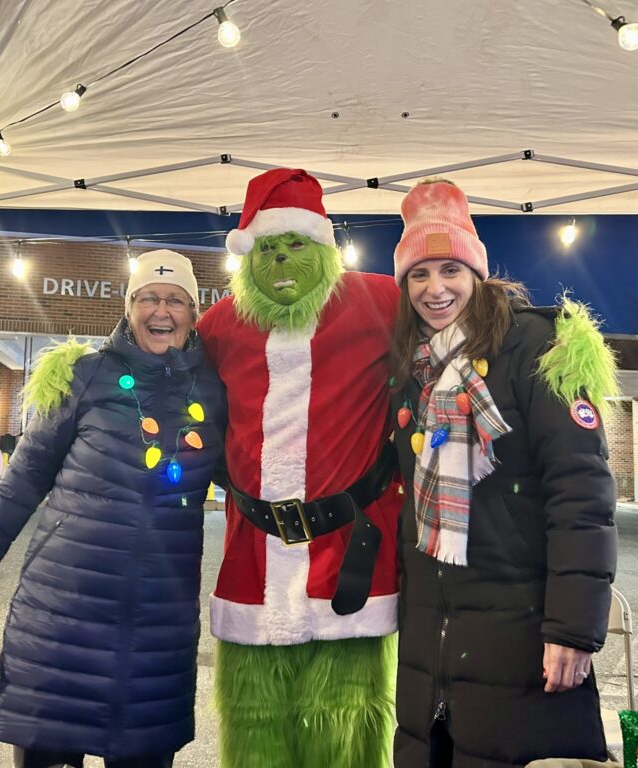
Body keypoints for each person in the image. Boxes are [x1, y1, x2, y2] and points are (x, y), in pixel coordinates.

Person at [0, 249, 225, 768]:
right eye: (148, 298)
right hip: (64, 607)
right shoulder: (85, 374)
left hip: (159, 613)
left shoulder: (215, 391)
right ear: (128, 307)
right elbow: (24, 478)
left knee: (144, 749)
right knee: (49, 748)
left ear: (194, 312)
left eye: (175, 299)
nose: (162, 311)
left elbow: (251, 471)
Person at [388, 178, 619, 767]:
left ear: (477, 273)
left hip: (521, 637)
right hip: (432, 641)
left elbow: (582, 495)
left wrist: (572, 628)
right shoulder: (415, 369)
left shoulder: (535, 348)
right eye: (419, 274)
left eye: (449, 270)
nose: (435, 289)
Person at [197, 168, 403, 768]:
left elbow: (460, 313)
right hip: (252, 556)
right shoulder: (218, 326)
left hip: (350, 560)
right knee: (254, 724)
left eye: (296, 245)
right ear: (248, 256)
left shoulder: (376, 301)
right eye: (270, 247)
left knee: (343, 730)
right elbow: (153, 364)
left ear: (324, 250)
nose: (284, 258)